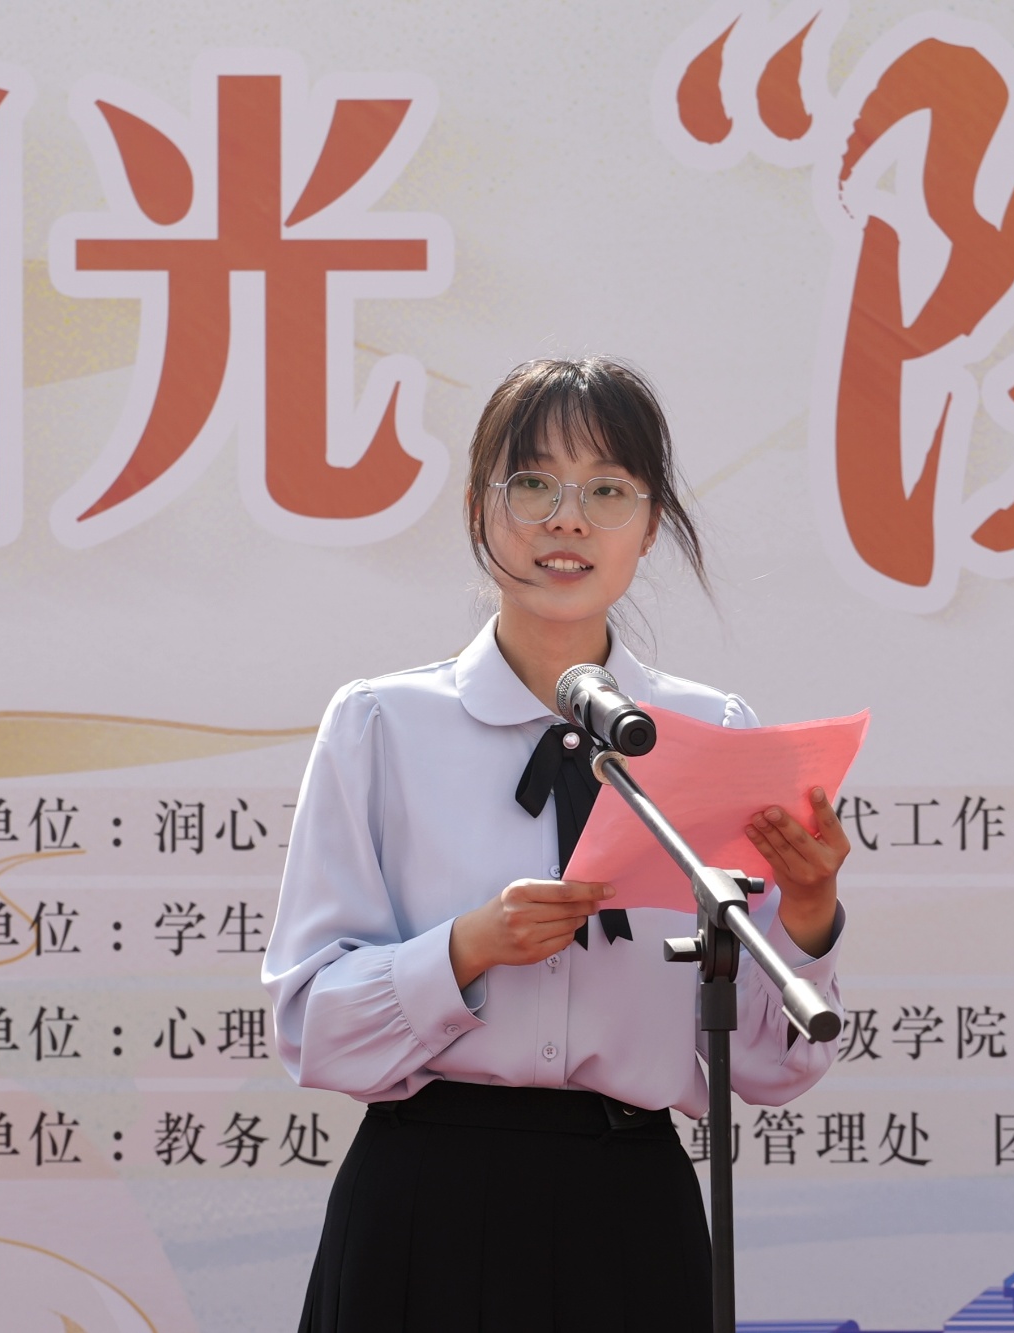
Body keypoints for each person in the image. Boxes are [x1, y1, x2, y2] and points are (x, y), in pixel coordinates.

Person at [263, 356, 850, 1332]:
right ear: (478, 509)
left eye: (607, 490)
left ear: (649, 524)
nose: (566, 519)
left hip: (629, 1210)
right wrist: (466, 948)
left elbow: (769, 1066)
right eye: (532, 482)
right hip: (425, 1201)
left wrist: (809, 912)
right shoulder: (381, 725)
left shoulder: (710, 733)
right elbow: (310, 1027)